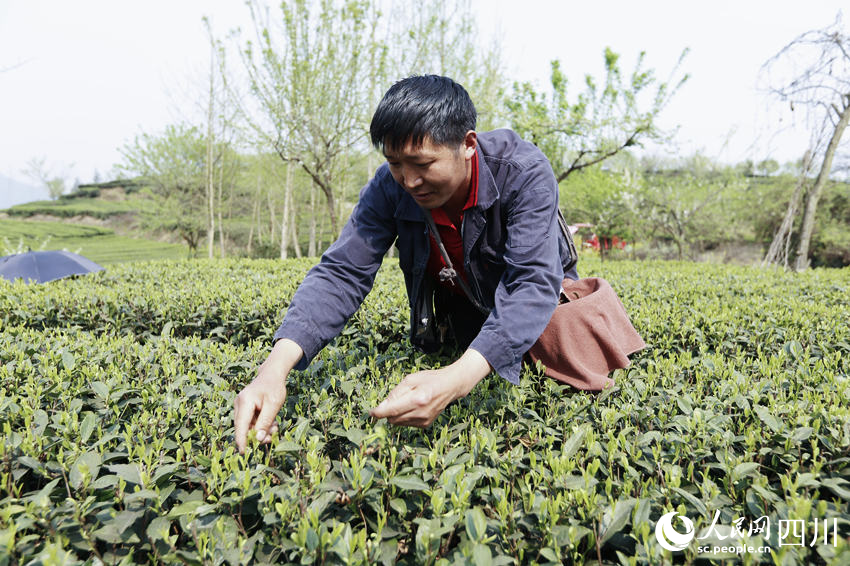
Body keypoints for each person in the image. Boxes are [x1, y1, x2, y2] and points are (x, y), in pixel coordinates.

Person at [234, 75, 578, 453]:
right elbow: (343, 272)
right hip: (463, 310)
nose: (409, 181)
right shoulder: (389, 185)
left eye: (423, 163)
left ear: (467, 144)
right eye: (395, 163)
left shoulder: (522, 170)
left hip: (536, 317)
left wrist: (456, 380)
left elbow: (530, 282)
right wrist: (273, 370)